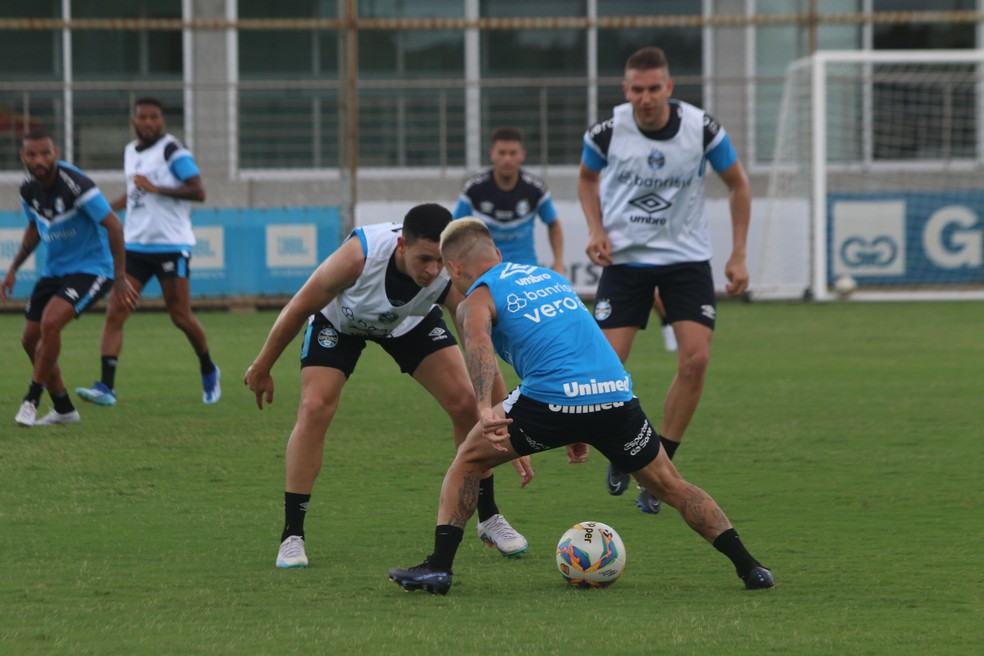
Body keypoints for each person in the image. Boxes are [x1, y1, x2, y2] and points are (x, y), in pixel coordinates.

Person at [388, 219, 773, 595]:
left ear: (454, 268)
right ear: (498, 253)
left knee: (468, 461)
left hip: (550, 399)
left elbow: (477, 343)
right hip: (615, 395)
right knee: (671, 485)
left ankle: (438, 568)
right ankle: (750, 567)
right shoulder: (552, 279)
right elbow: (575, 341)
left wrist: (485, 407)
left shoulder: (476, 299)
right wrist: (580, 427)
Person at [244, 204, 532, 570]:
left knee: (463, 404)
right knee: (315, 408)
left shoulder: (448, 274)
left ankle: (488, 517)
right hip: (341, 324)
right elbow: (300, 306)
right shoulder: (357, 258)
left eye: (439, 261)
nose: (432, 270)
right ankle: (292, 535)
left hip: (408, 324)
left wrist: (501, 411)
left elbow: (479, 346)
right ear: (401, 246)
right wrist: (263, 364)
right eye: (424, 259)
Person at [578, 47, 751, 514]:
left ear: (669, 88)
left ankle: (659, 468)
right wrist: (595, 228)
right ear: (625, 89)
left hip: (686, 262)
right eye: (637, 89)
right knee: (604, 371)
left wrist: (737, 254)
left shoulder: (703, 129)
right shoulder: (608, 131)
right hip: (625, 262)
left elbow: (739, 183)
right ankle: (626, 449)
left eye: (654, 88)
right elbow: (586, 180)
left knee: (695, 360)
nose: (646, 97)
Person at [75, 97, 219, 407]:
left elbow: (199, 191)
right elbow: (134, 194)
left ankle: (208, 368)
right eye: (143, 117)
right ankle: (106, 387)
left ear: (162, 121)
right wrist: (103, 211)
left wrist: (157, 188)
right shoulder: (130, 151)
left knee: (180, 316)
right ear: (134, 121)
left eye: (155, 117)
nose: (149, 123)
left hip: (171, 246)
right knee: (116, 312)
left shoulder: (172, 151)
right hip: (134, 246)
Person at [2, 130, 138, 427]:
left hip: (93, 269)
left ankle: (31, 399)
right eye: (32, 155)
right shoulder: (28, 190)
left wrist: (119, 278)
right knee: (29, 340)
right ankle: (63, 408)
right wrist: (13, 268)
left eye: (45, 153)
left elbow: (114, 226)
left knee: (51, 323)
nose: (39, 160)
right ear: (23, 157)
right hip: (55, 271)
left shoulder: (76, 184)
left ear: (56, 153)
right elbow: (35, 228)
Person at [453, 126, 565, 274]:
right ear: (492, 154)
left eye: (513, 153)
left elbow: (553, 224)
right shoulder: (473, 188)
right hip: (485, 268)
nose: (507, 159)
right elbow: (455, 228)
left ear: (522, 155)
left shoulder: (536, 189)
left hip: (525, 269)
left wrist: (558, 263)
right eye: (502, 153)